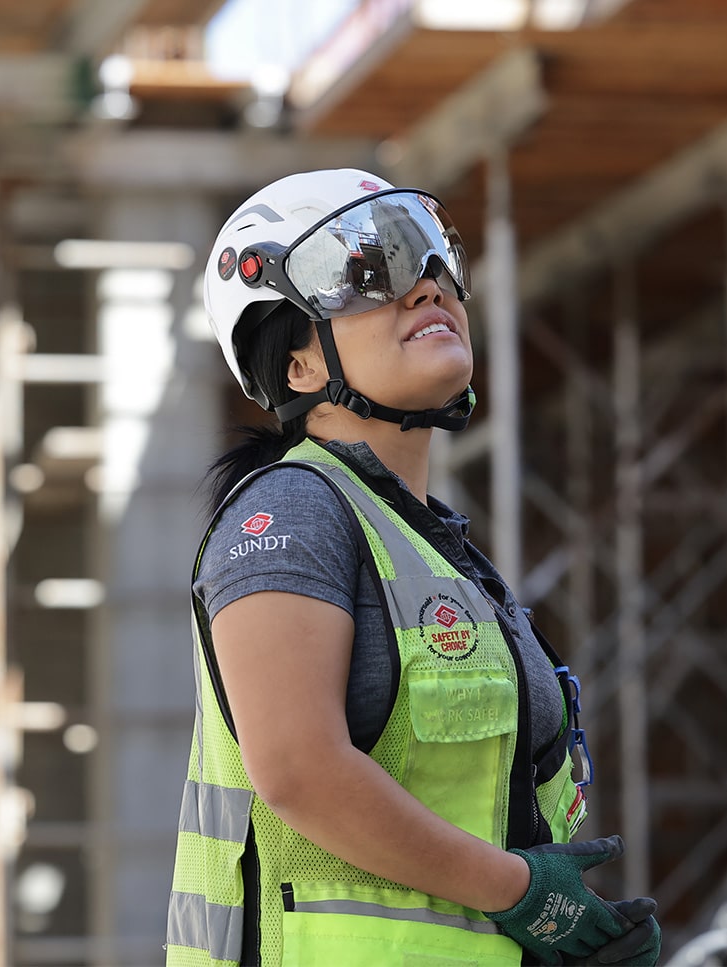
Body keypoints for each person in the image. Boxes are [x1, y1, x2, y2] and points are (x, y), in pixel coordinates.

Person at [165, 168, 661, 967]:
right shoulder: (292, 511)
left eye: (437, 259)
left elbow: (479, 835)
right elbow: (298, 767)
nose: (427, 286)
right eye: (368, 273)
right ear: (296, 365)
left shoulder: (438, 553)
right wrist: (520, 892)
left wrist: (563, 932)